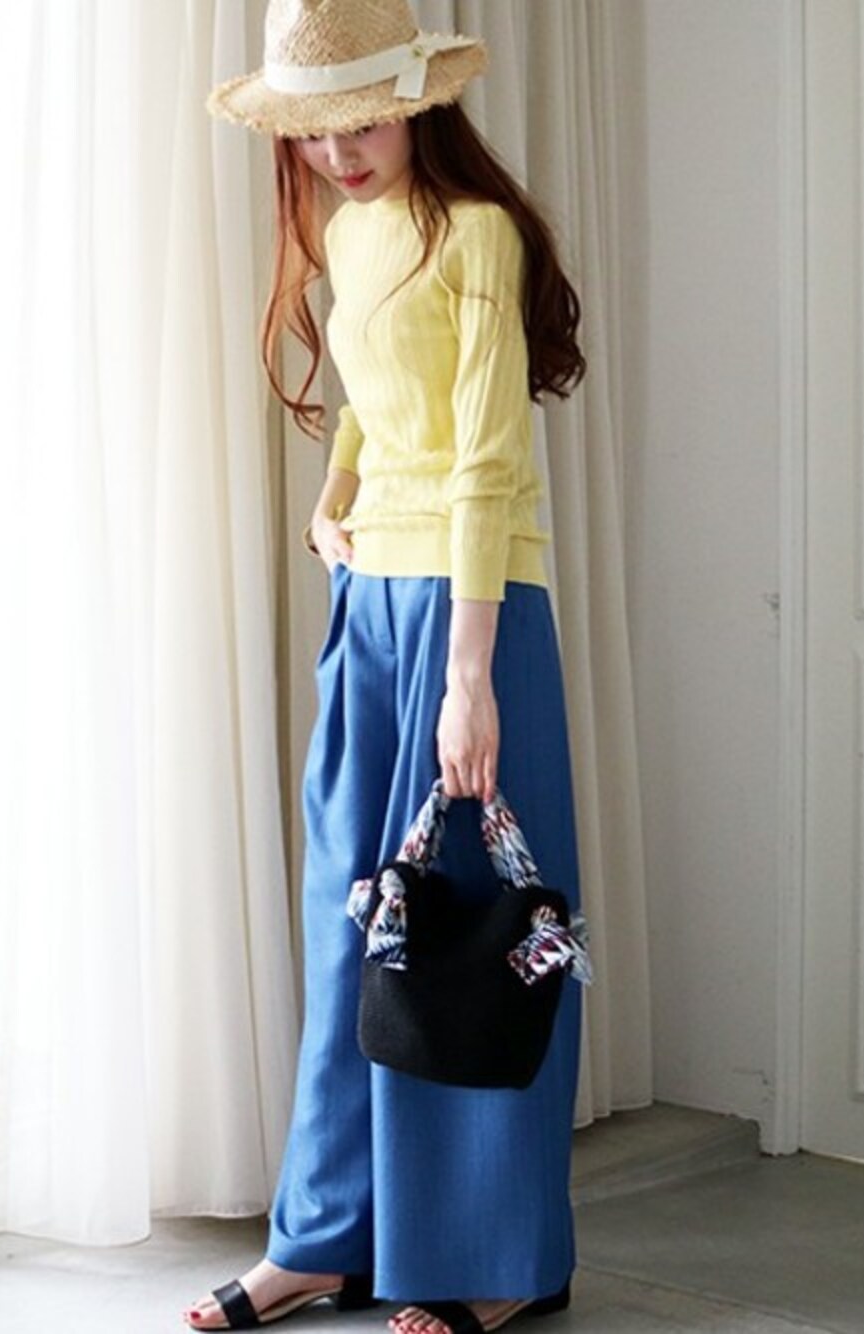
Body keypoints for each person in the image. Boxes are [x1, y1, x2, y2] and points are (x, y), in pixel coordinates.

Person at [185, 3, 592, 1332]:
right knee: (351, 919)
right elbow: (372, 394)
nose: (337, 152)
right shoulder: (352, 233)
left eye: (360, 121)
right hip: (371, 600)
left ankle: (500, 1258)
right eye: (313, 132)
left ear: (417, 105)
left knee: (479, 925)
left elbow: (486, 457)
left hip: (475, 607)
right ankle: (325, 1235)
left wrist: (469, 678)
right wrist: (333, 496)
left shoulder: (477, 234)